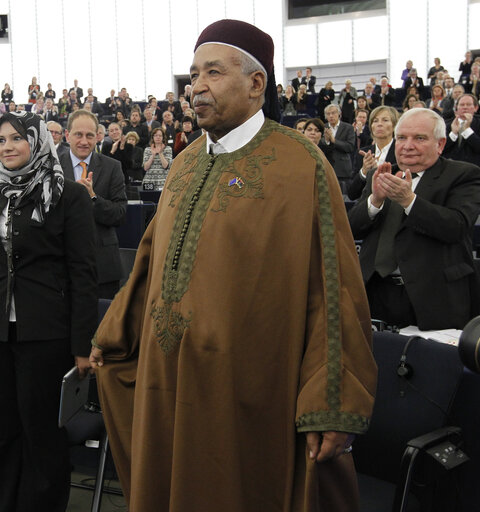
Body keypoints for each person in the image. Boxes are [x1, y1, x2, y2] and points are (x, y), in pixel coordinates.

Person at [90, 19, 376, 512]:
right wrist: (115, 333)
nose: (196, 87)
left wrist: (330, 401)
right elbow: (151, 265)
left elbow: (334, 289)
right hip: (167, 385)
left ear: (256, 83)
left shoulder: (301, 164)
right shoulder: (183, 163)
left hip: (247, 396)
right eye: (194, 74)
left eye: (213, 73)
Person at [0, 111, 98, 512]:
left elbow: (83, 274)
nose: (7, 147)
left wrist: (82, 345)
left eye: (17, 139)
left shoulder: (68, 196)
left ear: (37, 143)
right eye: (1, 141)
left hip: (47, 336)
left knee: (42, 434)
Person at [349, 107, 480, 330]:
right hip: (375, 291)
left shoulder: (463, 174)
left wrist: (409, 200)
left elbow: (455, 227)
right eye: (401, 138)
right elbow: (352, 228)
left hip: (433, 297)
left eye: (419, 138)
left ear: (440, 144)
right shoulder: (380, 174)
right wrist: (375, 201)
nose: (408, 146)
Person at [57, 109, 127, 298]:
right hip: (60, 267)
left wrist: (93, 198)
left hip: (102, 268)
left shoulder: (113, 167)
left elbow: (120, 213)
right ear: (67, 135)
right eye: (78, 134)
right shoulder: (51, 168)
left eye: (89, 135)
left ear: (97, 137)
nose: (84, 141)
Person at [348, 105, 398, 201]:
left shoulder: (401, 151)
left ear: (394, 125)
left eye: (385, 120)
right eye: (375, 121)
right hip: (367, 211)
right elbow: (352, 194)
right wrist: (364, 172)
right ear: (371, 126)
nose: (379, 124)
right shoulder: (362, 153)